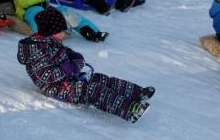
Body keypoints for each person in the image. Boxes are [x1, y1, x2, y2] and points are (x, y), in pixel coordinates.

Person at [17, 7, 154, 123]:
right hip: (56, 87)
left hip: (69, 78)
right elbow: (46, 76)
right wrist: (70, 68)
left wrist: (75, 57)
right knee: (93, 89)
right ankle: (130, 110)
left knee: (100, 78)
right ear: (49, 31)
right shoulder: (35, 50)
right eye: (61, 31)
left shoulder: (51, 41)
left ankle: (137, 92)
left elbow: (65, 52)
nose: (64, 34)